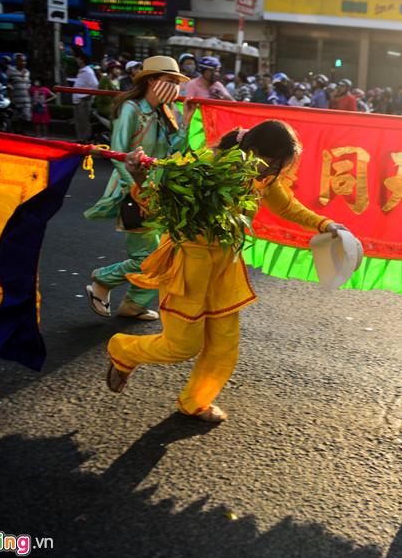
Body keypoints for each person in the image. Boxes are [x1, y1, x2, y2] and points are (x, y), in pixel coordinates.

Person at [104, 120, 349, 422]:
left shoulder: (262, 178)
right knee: (181, 346)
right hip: (187, 267)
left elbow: (288, 208)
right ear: (254, 151)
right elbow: (158, 207)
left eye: (277, 169)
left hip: (224, 271)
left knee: (223, 348)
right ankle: (123, 350)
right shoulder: (203, 168)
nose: (272, 174)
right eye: (271, 165)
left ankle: (194, 402)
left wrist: (325, 225)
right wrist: (141, 179)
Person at [84, 56, 192, 320]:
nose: (175, 88)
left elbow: (174, 149)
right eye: (170, 81)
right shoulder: (130, 108)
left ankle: (133, 305)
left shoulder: (163, 112)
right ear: (152, 80)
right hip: (132, 191)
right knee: (147, 257)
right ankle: (102, 280)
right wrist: (138, 188)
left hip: (158, 190)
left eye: (178, 83)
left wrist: (186, 121)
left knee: (165, 253)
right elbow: (118, 153)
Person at [71, 53, 99, 143]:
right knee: (79, 121)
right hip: (78, 99)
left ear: (82, 60)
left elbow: (95, 84)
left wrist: (89, 95)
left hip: (83, 99)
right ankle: (80, 139)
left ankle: (84, 140)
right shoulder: (82, 71)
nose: (77, 61)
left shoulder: (88, 72)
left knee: (84, 121)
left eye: (79, 59)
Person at [5, 52, 32, 131]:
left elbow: (28, 85)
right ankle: (15, 132)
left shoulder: (27, 72)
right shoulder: (11, 71)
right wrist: (11, 98)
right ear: (16, 61)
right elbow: (7, 84)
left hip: (25, 99)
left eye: (24, 61)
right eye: (21, 61)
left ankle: (21, 130)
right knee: (14, 118)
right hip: (15, 98)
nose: (23, 63)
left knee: (26, 117)